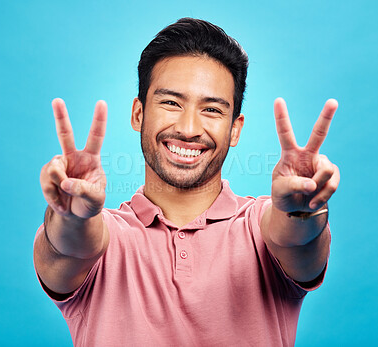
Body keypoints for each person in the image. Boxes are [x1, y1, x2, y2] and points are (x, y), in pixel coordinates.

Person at [34, 18, 340, 346]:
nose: (190, 127)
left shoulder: (260, 227)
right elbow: (68, 249)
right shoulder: (105, 237)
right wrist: (71, 217)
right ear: (138, 113)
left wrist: (303, 211)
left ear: (235, 129)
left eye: (211, 109)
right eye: (171, 102)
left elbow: (297, 242)